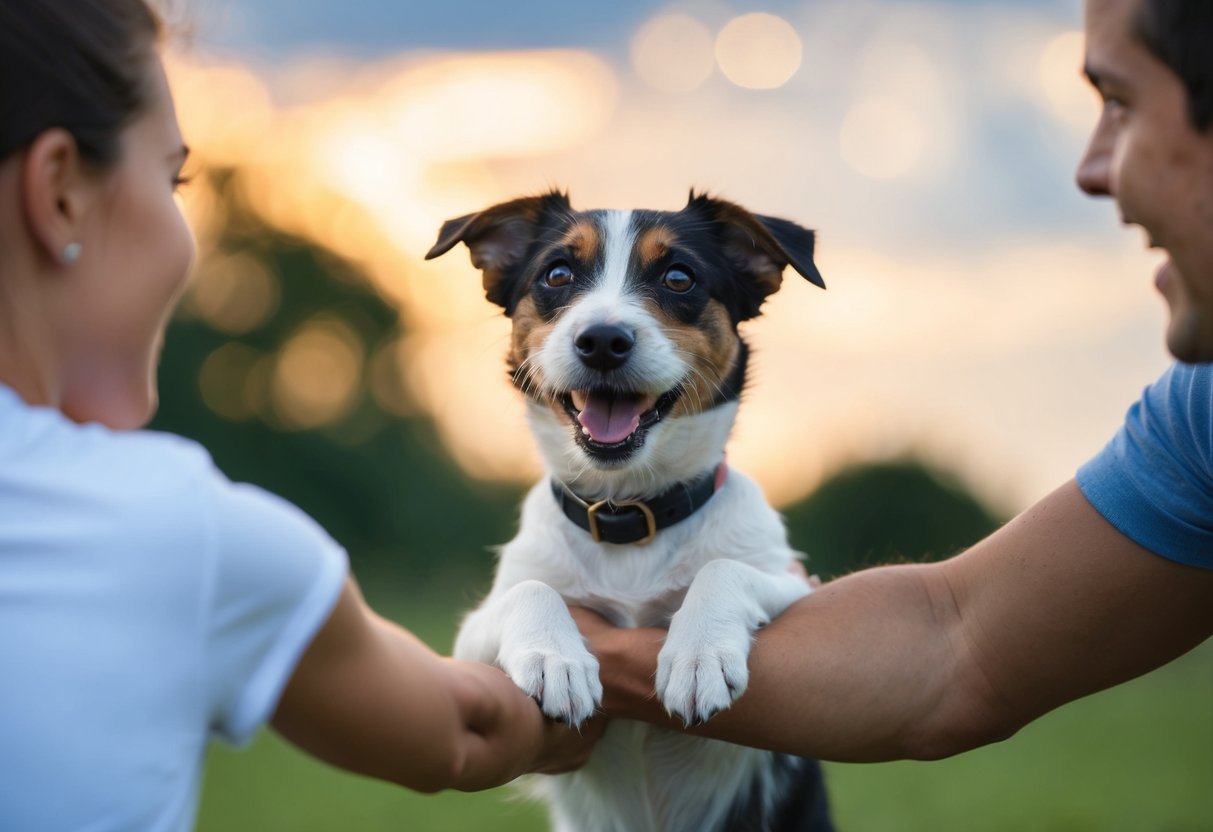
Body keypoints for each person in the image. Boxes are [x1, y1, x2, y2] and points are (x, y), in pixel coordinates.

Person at [0, 1, 595, 828]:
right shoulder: (170, 529)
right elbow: (467, 728)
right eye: (172, 179)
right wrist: (640, 649)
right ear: (60, 192)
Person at [572, 0, 1213, 765]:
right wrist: (585, 660)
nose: (1090, 168)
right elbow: (952, 639)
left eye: (1119, 102)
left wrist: (596, 662)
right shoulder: (1197, 419)